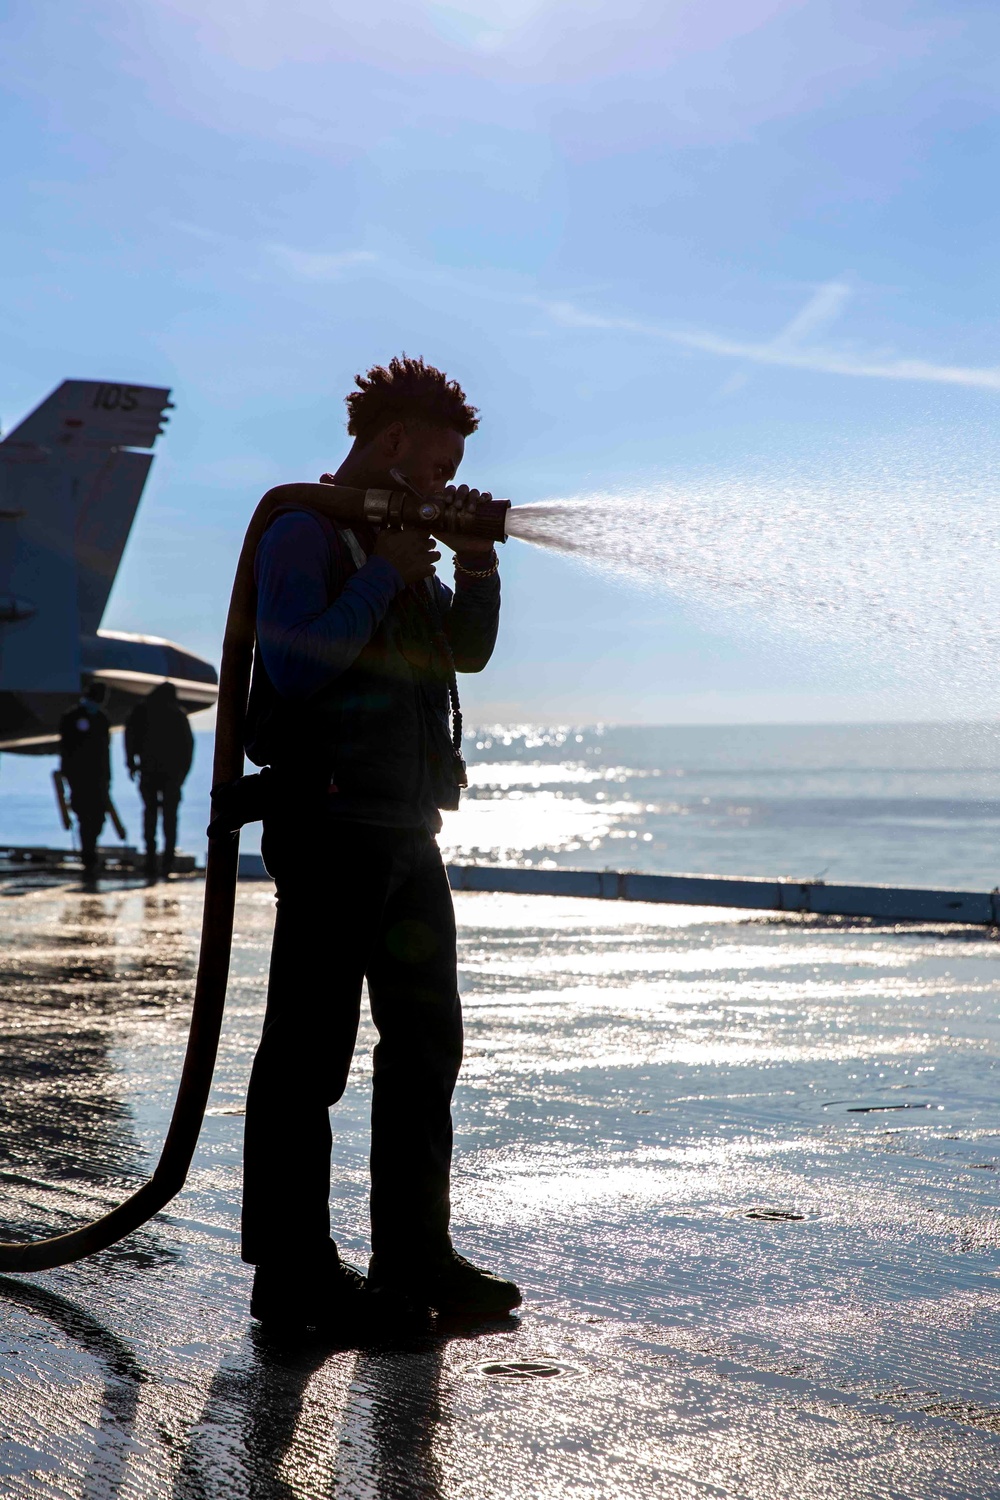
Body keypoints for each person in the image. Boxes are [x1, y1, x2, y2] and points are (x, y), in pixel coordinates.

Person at [241, 355, 520, 1333]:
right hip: (325, 827)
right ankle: (294, 1276)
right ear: (393, 445)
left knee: (426, 1047)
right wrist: (387, 577)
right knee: (307, 1062)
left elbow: (464, 654)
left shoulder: (396, 545)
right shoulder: (304, 527)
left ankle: (415, 1257)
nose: (442, 487)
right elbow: (292, 663)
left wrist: (474, 561)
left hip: (405, 828)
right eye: (438, 469)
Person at [125, 681, 194, 879]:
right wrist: (183, 774)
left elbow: (130, 739)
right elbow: (188, 747)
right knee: (169, 818)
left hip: (150, 772)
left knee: (151, 815)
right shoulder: (178, 714)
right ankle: (166, 862)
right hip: (170, 775)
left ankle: (151, 861)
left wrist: (131, 763)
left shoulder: (142, 711)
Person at [59, 680, 111, 884]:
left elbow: (105, 751)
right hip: (80, 777)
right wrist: (68, 774)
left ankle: (90, 852)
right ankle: (88, 857)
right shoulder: (72, 717)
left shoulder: (101, 718)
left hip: (98, 777)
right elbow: (66, 749)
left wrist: (107, 777)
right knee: (84, 815)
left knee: (97, 817)